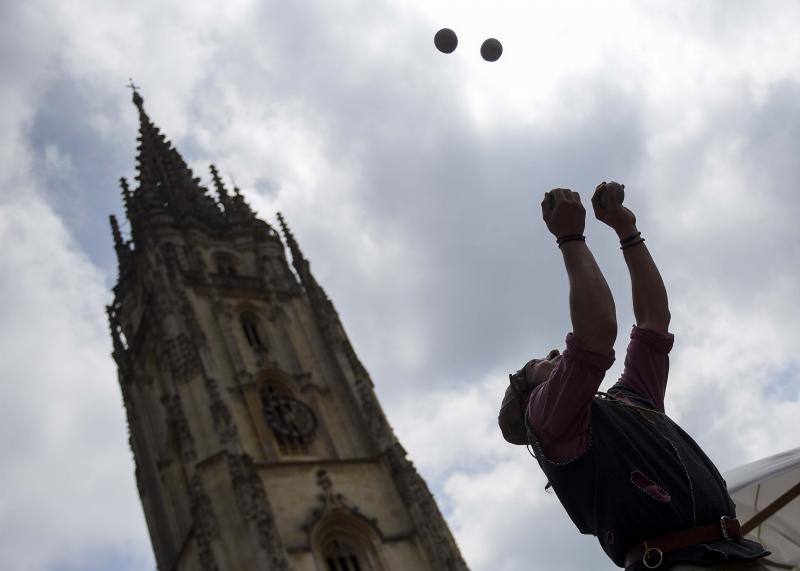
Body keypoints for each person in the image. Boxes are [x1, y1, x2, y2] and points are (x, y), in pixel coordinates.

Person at [498, 183, 770, 570]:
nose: (554, 352)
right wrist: (570, 237)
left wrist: (627, 231)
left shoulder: (630, 402)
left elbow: (653, 322)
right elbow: (595, 334)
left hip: (734, 556)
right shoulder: (544, 420)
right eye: (537, 363)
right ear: (529, 399)